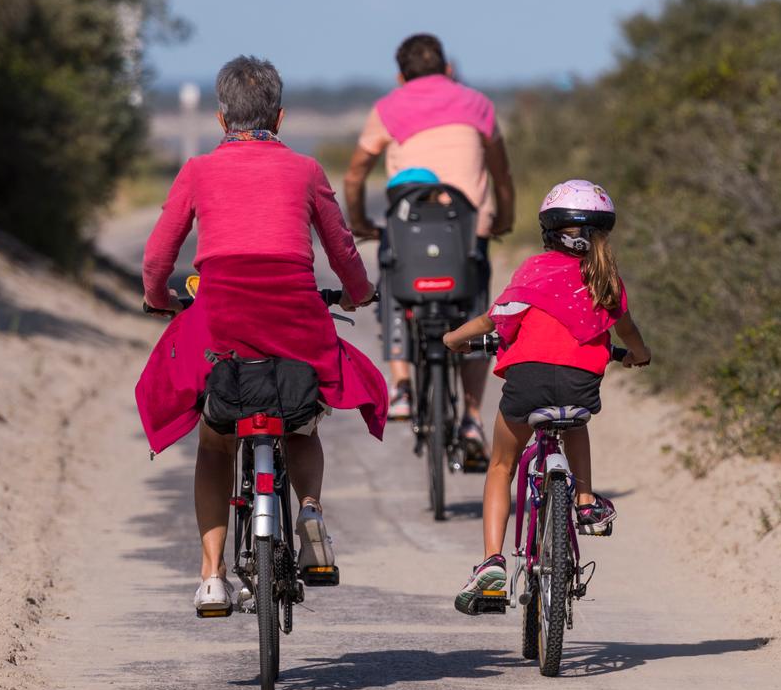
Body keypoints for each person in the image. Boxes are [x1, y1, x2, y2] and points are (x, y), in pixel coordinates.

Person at [135, 55, 386, 617]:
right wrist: (358, 294)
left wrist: (159, 300)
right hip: (294, 315)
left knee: (215, 439)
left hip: (222, 314)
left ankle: (211, 578)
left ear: (223, 121)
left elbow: (158, 258)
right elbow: (342, 250)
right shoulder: (306, 170)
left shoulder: (197, 170)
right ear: (280, 115)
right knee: (302, 419)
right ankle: (312, 510)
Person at [440, 180, 651, 615]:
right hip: (579, 386)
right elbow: (626, 330)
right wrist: (639, 354)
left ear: (549, 229)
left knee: (501, 465)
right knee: (575, 419)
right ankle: (586, 502)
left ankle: (491, 563)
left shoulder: (533, 269)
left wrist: (454, 339)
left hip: (527, 385)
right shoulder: (606, 280)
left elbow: (494, 319)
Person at [343, 34, 515, 460]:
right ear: (449, 70)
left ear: (400, 76)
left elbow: (353, 176)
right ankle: (472, 418)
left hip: (408, 235)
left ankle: (401, 387)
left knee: (394, 288)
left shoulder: (388, 108)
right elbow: (502, 175)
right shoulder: (477, 105)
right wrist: (504, 219)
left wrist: (362, 222)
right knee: (475, 314)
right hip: (467, 236)